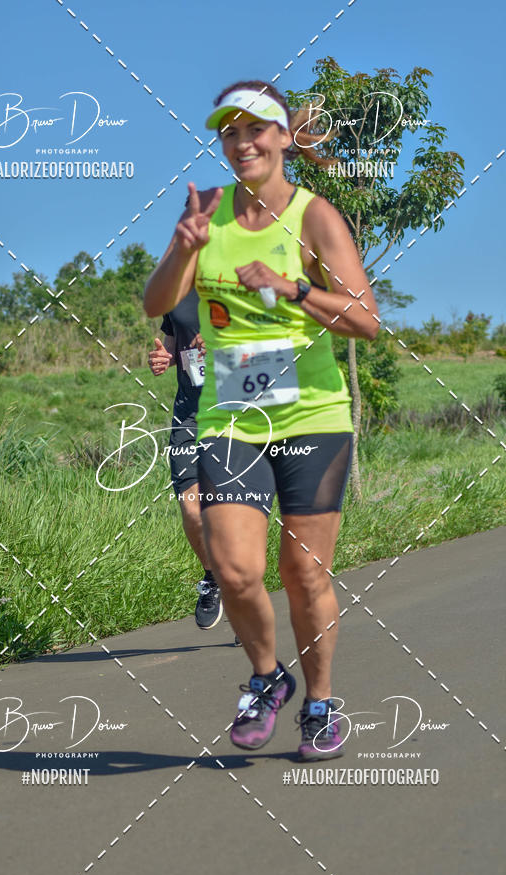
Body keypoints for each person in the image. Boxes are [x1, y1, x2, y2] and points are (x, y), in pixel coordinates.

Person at [144, 80, 379, 761]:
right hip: (231, 416)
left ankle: (320, 702)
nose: (242, 143)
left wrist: (295, 287)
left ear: (281, 138)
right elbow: (156, 300)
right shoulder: (207, 216)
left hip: (312, 412)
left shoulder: (314, 218)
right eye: (230, 133)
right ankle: (266, 675)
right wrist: (184, 247)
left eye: (255, 130)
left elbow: (364, 319)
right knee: (236, 567)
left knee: (303, 572)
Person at [148, 289, 225, 631]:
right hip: (188, 416)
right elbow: (172, 345)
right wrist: (164, 358)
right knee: (192, 509)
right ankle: (214, 578)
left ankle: (244, 590)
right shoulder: (176, 293)